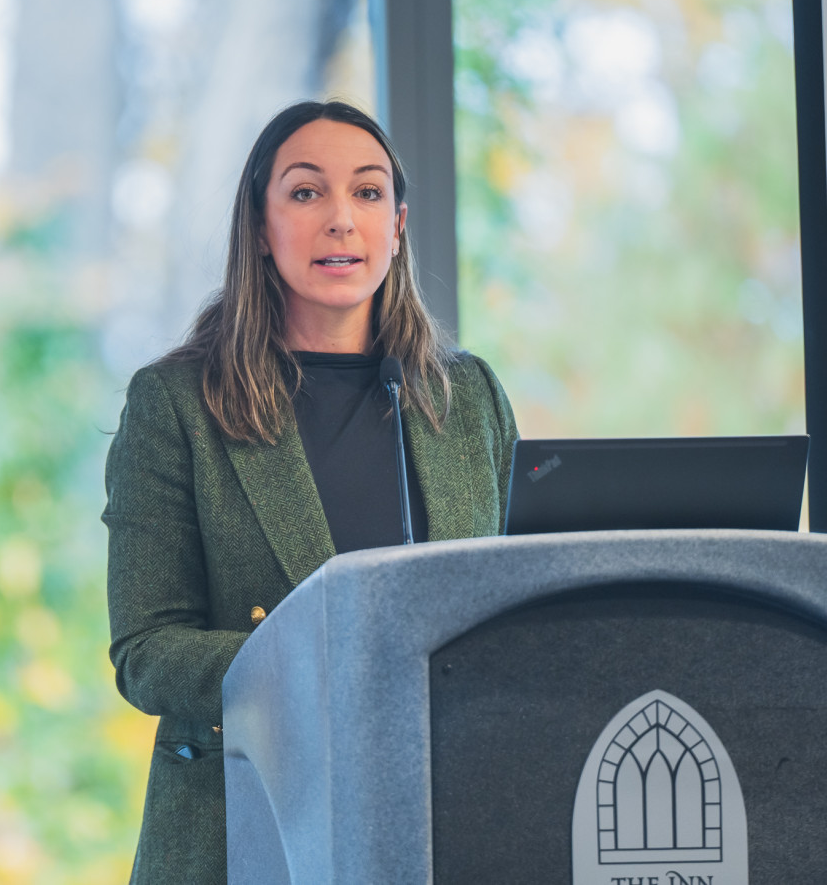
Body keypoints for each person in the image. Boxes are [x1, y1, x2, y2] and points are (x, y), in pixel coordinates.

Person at [102, 100, 519, 883]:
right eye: (305, 193)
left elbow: (507, 607)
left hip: (443, 824)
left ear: (397, 225)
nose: (340, 220)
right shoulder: (178, 403)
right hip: (246, 824)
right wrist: (320, 661)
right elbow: (147, 653)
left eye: (367, 193)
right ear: (259, 228)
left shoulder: (467, 399)